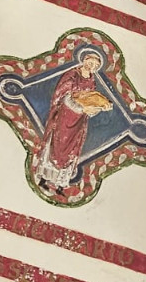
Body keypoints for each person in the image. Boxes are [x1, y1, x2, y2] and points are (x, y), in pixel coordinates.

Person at [35, 49, 110, 191]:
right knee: (56, 145)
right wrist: (81, 108)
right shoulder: (72, 75)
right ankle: (44, 179)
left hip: (79, 122)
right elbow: (63, 97)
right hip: (64, 117)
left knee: (72, 149)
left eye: (95, 66)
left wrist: (99, 108)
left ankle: (60, 184)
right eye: (91, 63)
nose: (92, 67)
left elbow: (90, 101)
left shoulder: (91, 81)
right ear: (84, 60)